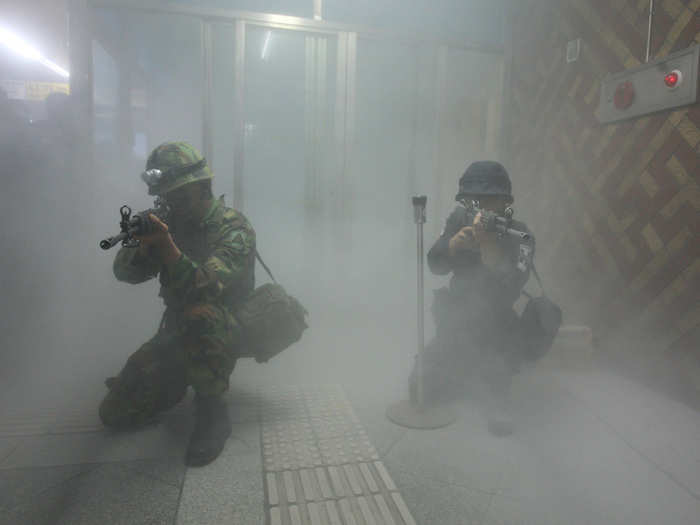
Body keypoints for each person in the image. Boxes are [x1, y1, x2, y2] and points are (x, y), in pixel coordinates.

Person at [98, 141, 256, 466]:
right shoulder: (171, 223)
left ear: (200, 188)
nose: (170, 203)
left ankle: (212, 410)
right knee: (115, 413)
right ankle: (177, 380)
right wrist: (143, 247)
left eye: (178, 195)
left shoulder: (233, 227)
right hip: (180, 328)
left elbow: (205, 286)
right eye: (165, 196)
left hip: (226, 324)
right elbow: (123, 274)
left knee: (200, 314)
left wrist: (167, 246)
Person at [410, 161, 535, 436]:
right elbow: (435, 266)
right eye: (473, 202)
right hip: (455, 319)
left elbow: (511, 289)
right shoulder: (458, 220)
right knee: (421, 390)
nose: (480, 210)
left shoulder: (521, 236)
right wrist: (453, 246)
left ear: (505, 202)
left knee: (494, 386)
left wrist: (491, 251)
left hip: (497, 325)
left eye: (490, 201)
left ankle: (494, 386)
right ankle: (461, 370)